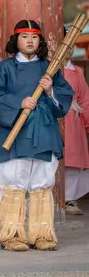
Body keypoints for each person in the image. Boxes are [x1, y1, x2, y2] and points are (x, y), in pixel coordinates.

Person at [0, 20, 73, 252]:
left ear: (40, 41)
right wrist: (19, 102)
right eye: (24, 36)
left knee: (41, 184)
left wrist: (50, 90)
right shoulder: (4, 69)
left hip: (44, 131)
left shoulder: (50, 69)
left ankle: (41, 234)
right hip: (16, 132)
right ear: (16, 40)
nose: (29, 41)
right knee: (15, 182)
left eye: (34, 37)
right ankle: (12, 235)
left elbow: (63, 101)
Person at [62, 27, 89, 215]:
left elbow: (85, 99)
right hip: (54, 117)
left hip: (73, 118)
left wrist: (86, 122)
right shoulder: (46, 67)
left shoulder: (77, 71)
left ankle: (70, 199)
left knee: (72, 161)